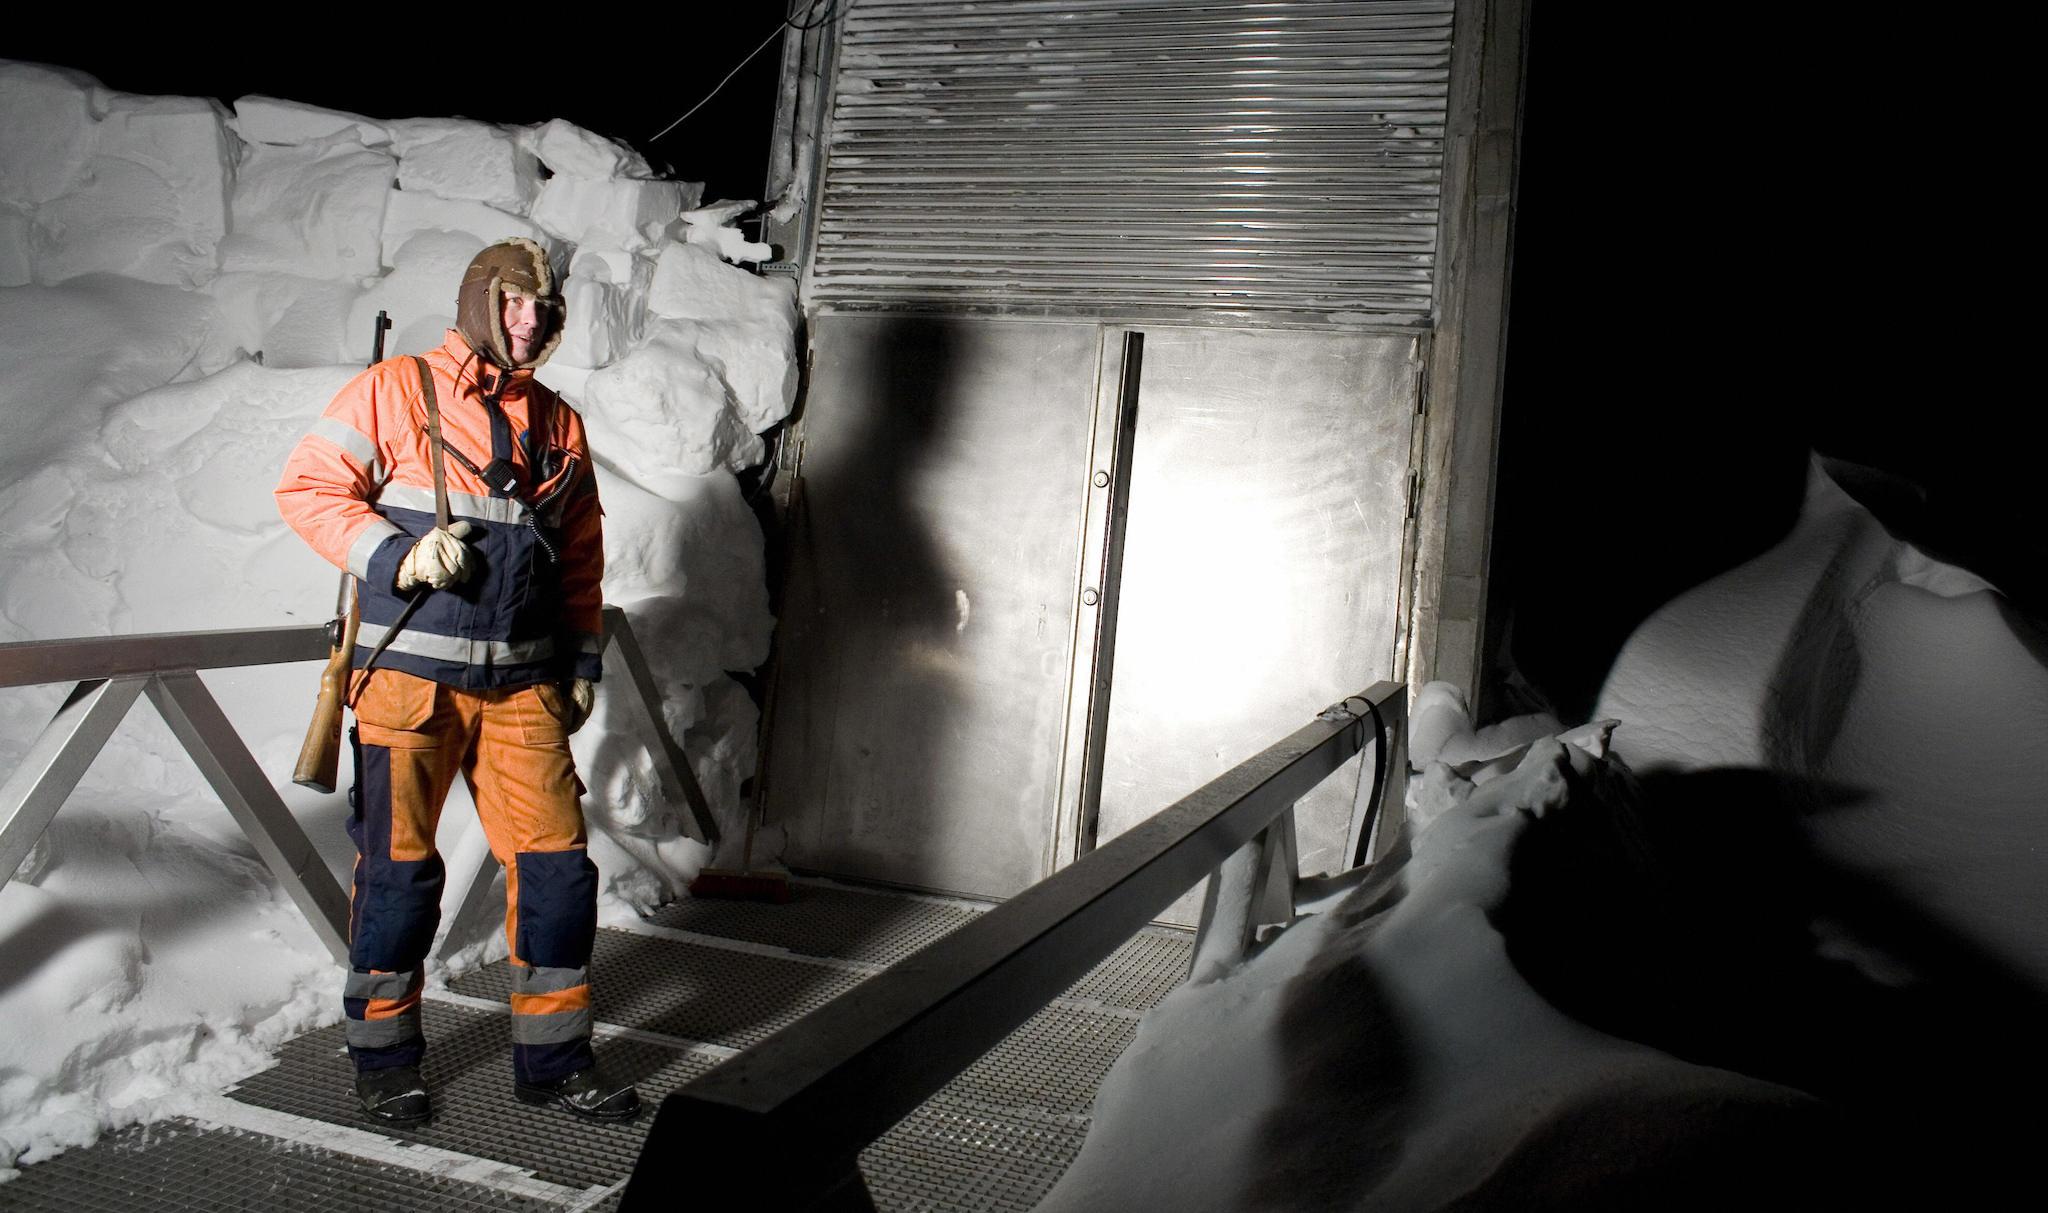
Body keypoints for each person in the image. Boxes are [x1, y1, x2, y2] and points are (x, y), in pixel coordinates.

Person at [275, 237, 637, 1124]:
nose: (531, 322)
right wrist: (398, 556)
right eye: (515, 303)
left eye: (545, 311)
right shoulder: (395, 388)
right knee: (399, 876)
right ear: (481, 299)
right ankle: (384, 1058)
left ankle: (554, 1061)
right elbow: (309, 488)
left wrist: (581, 661)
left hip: (522, 693)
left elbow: (580, 560)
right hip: (407, 689)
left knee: (558, 871)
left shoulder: (560, 422)